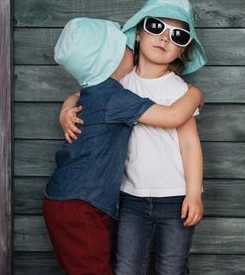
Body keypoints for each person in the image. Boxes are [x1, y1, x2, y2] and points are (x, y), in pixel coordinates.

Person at [43, 16, 204, 275]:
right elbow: (172, 116)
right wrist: (195, 95)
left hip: (168, 195)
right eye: (155, 27)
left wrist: (194, 193)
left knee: (170, 267)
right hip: (117, 198)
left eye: (178, 36)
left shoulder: (171, 89)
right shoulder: (120, 88)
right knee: (117, 267)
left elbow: (189, 143)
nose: (164, 38)